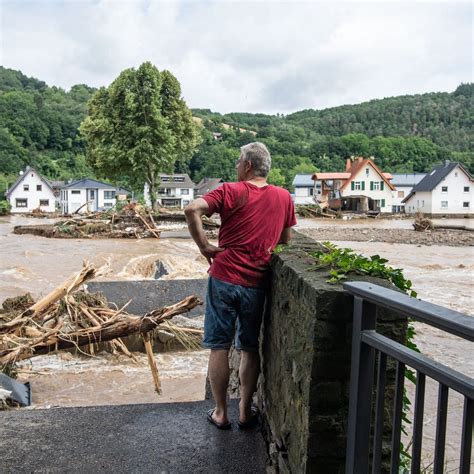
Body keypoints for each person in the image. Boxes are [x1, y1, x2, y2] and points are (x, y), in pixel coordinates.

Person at [184, 142, 296, 430]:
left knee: (219, 346)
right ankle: (246, 411)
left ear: (247, 166)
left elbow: (191, 209)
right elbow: (285, 241)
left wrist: (205, 246)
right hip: (256, 281)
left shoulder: (229, 191)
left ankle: (221, 413)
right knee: (249, 347)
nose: (236, 167)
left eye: (238, 162)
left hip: (224, 277)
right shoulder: (284, 197)